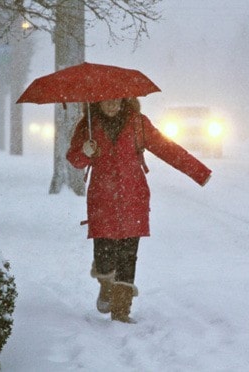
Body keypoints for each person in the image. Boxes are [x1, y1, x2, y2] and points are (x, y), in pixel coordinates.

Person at [66, 97, 211, 323]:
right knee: (104, 256)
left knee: (127, 255)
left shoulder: (138, 124)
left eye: (117, 101)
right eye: (107, 102)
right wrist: (85, 151)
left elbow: (166, 148)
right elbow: (74, 159)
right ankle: (106, 283)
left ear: (125, 100)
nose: (112, 106)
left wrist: (198, 171)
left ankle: (121, 311)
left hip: (133, 198)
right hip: (102, 199)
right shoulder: (88, 126)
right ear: (97, 103)